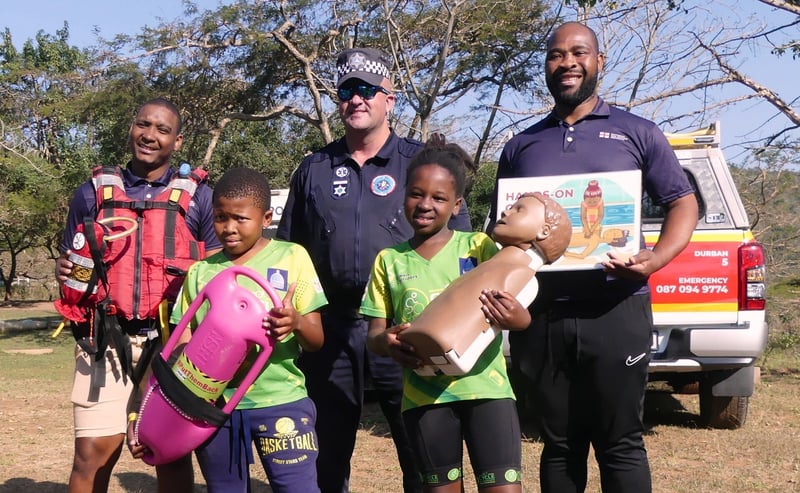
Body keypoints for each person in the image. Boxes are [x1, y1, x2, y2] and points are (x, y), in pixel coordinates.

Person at [490, 22, 699, 493]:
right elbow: (501, 230)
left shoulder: (637, 131)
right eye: (556, 54)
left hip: (616, 307)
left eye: (579, 52)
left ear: (598, 62)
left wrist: (656, 257)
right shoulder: (520, 146)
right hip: (541, 315)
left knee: (619, 441)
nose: (567, 62)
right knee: (559, 443)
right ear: (546, 65)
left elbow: (682, 202)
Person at [276, 48, 472, 493]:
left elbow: (461, 250)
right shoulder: (314, 168)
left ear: (390, 98)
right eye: (347, 91)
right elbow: (288, 253)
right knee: (327, 456)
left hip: (407, 330)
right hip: (331, 331)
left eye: (367, 90)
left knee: (422, 454)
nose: (356, 99)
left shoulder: (422, 162)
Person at [361, 138, 557, 493]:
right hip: (425, 399)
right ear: (403, 196)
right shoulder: (388, 261)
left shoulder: (479, 247)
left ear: (456, 205)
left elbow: (522, 316)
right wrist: (388, 343)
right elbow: (374, 334)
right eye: (417, 194)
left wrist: (517, 319)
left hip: (488, 392)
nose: (425, 205)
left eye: (438, 198)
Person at [55, 97, 221, 493]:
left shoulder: (200, 198)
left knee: (170, 453)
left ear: (177, 142)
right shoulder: (91, 194)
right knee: (91, 455)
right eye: (143, 125)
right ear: (131, 128)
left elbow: (219, 273)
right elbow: (71, 258)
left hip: (174, 344)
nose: (150, 136)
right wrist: (63, 270)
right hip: (104, 340)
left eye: (162, 130)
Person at [158, 167, 326, 492]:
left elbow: (317, 339)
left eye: (240, 218)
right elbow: (183, 343)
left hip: (281, 401)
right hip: (214, 409)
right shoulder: (201, 271)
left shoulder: (293, 257)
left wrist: (297, 322)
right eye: (220, 217)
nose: (228, 228)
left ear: (265, 218)